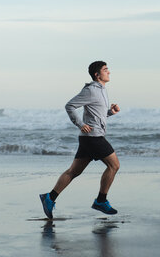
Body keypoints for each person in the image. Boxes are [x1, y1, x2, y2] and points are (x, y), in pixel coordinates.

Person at [39, 61, 121, 219]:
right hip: (94, 138)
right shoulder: (91, 90)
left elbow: (98, 114)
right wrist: (80, 124)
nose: (109, 72)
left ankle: (49, 198)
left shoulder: (102, 90)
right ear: (97, 75)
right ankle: (101, 201)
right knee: (114, 166)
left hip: (88, 139)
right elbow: (70, 106)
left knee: (73, 172)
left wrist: (110, 112)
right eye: (105, 70)